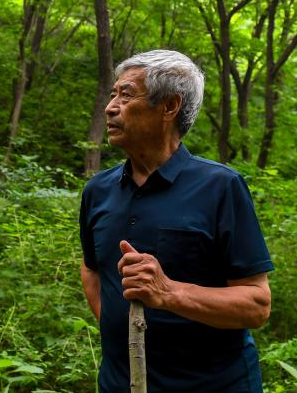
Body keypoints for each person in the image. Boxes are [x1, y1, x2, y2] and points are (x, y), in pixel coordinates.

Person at [78, 49, 274, 392]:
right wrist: (121, 333)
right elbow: (92, 270)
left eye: (126, 95)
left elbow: (256, 304)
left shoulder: (220, 187)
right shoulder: (98, 191)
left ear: (169, 106)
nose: (110, 107)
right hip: (119, 385)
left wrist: (168, 292)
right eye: (113, 95)